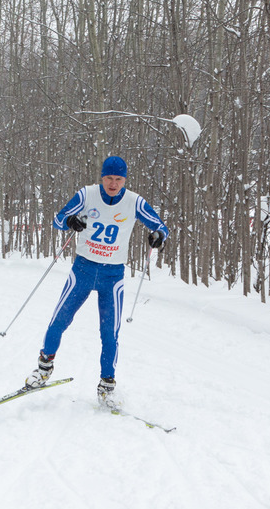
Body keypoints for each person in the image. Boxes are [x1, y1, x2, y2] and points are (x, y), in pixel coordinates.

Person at [26, 155, 169, 409]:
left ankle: (107, 386)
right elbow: (58, 220)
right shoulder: (86, 195)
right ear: (101, 177)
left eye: (118, 179)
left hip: (112, 277)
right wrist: (72, 221)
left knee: (109, 334)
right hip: (83, 269)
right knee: (59, 320)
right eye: (109, 178)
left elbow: (161, 226)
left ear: (124, 180)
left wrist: (158, 234)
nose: (113, 184)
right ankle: (44, 368)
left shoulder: (134, 201)